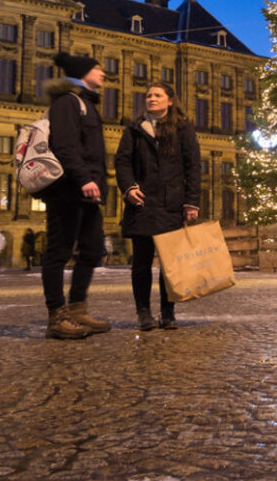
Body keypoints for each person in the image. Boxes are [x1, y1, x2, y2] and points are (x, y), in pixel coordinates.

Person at [114, 82, 201, 331]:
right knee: (141, 262)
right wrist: (129, 187)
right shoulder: (134, 128)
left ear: (170, 101)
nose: (152, 98)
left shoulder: (183, 128)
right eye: (149, 95)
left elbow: (193, 165)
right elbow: (122, 161)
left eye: (157, 95)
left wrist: (191, 202)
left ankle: (168, 312)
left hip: (170, 204)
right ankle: (143, 313)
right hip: (141, 202)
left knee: (170, 264)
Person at [38, 52, 111, 339]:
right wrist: (84, 179)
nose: (103, 73)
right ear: (83, 72)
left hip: (86, 191)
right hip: (69, 190)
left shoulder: (84, 102)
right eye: (97, 68)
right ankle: (56, 317)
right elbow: (67, 147)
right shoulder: (68, 102)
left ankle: (78, 309)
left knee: (92, 249)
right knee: (58, 251)